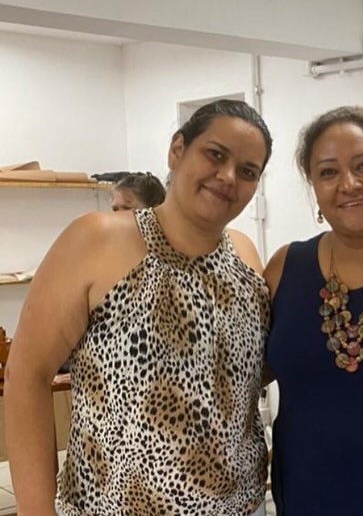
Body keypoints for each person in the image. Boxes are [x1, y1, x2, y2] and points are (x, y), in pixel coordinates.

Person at [5, 99, 274, 515]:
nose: (227, 177)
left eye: (247, 171)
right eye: (215, 154)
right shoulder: (96, 240)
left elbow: (246, 379)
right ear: (177, 150)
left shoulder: (245, 256)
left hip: (240, 505)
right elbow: (26, 376)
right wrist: (36, 511)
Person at [264, 106, 363, 515]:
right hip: (304, 498)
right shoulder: (285, 267)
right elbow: (246, 375)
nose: (349, 184)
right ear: (314, 188)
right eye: (328, 172)